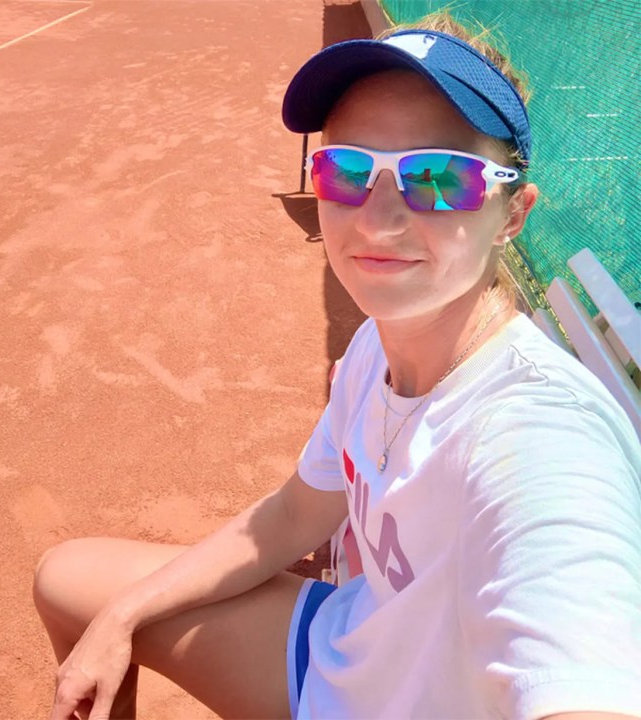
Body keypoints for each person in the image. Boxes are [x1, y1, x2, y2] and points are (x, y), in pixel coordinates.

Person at [33, 12, 641, 720]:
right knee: (69, 583)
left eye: (437, 178)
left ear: (512, 213)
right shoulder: (375, 346)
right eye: (347, 171)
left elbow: (583, 675)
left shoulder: (540, 440)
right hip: (348, 649)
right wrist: (125, 613)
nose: (377, 218)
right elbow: (296, 512)